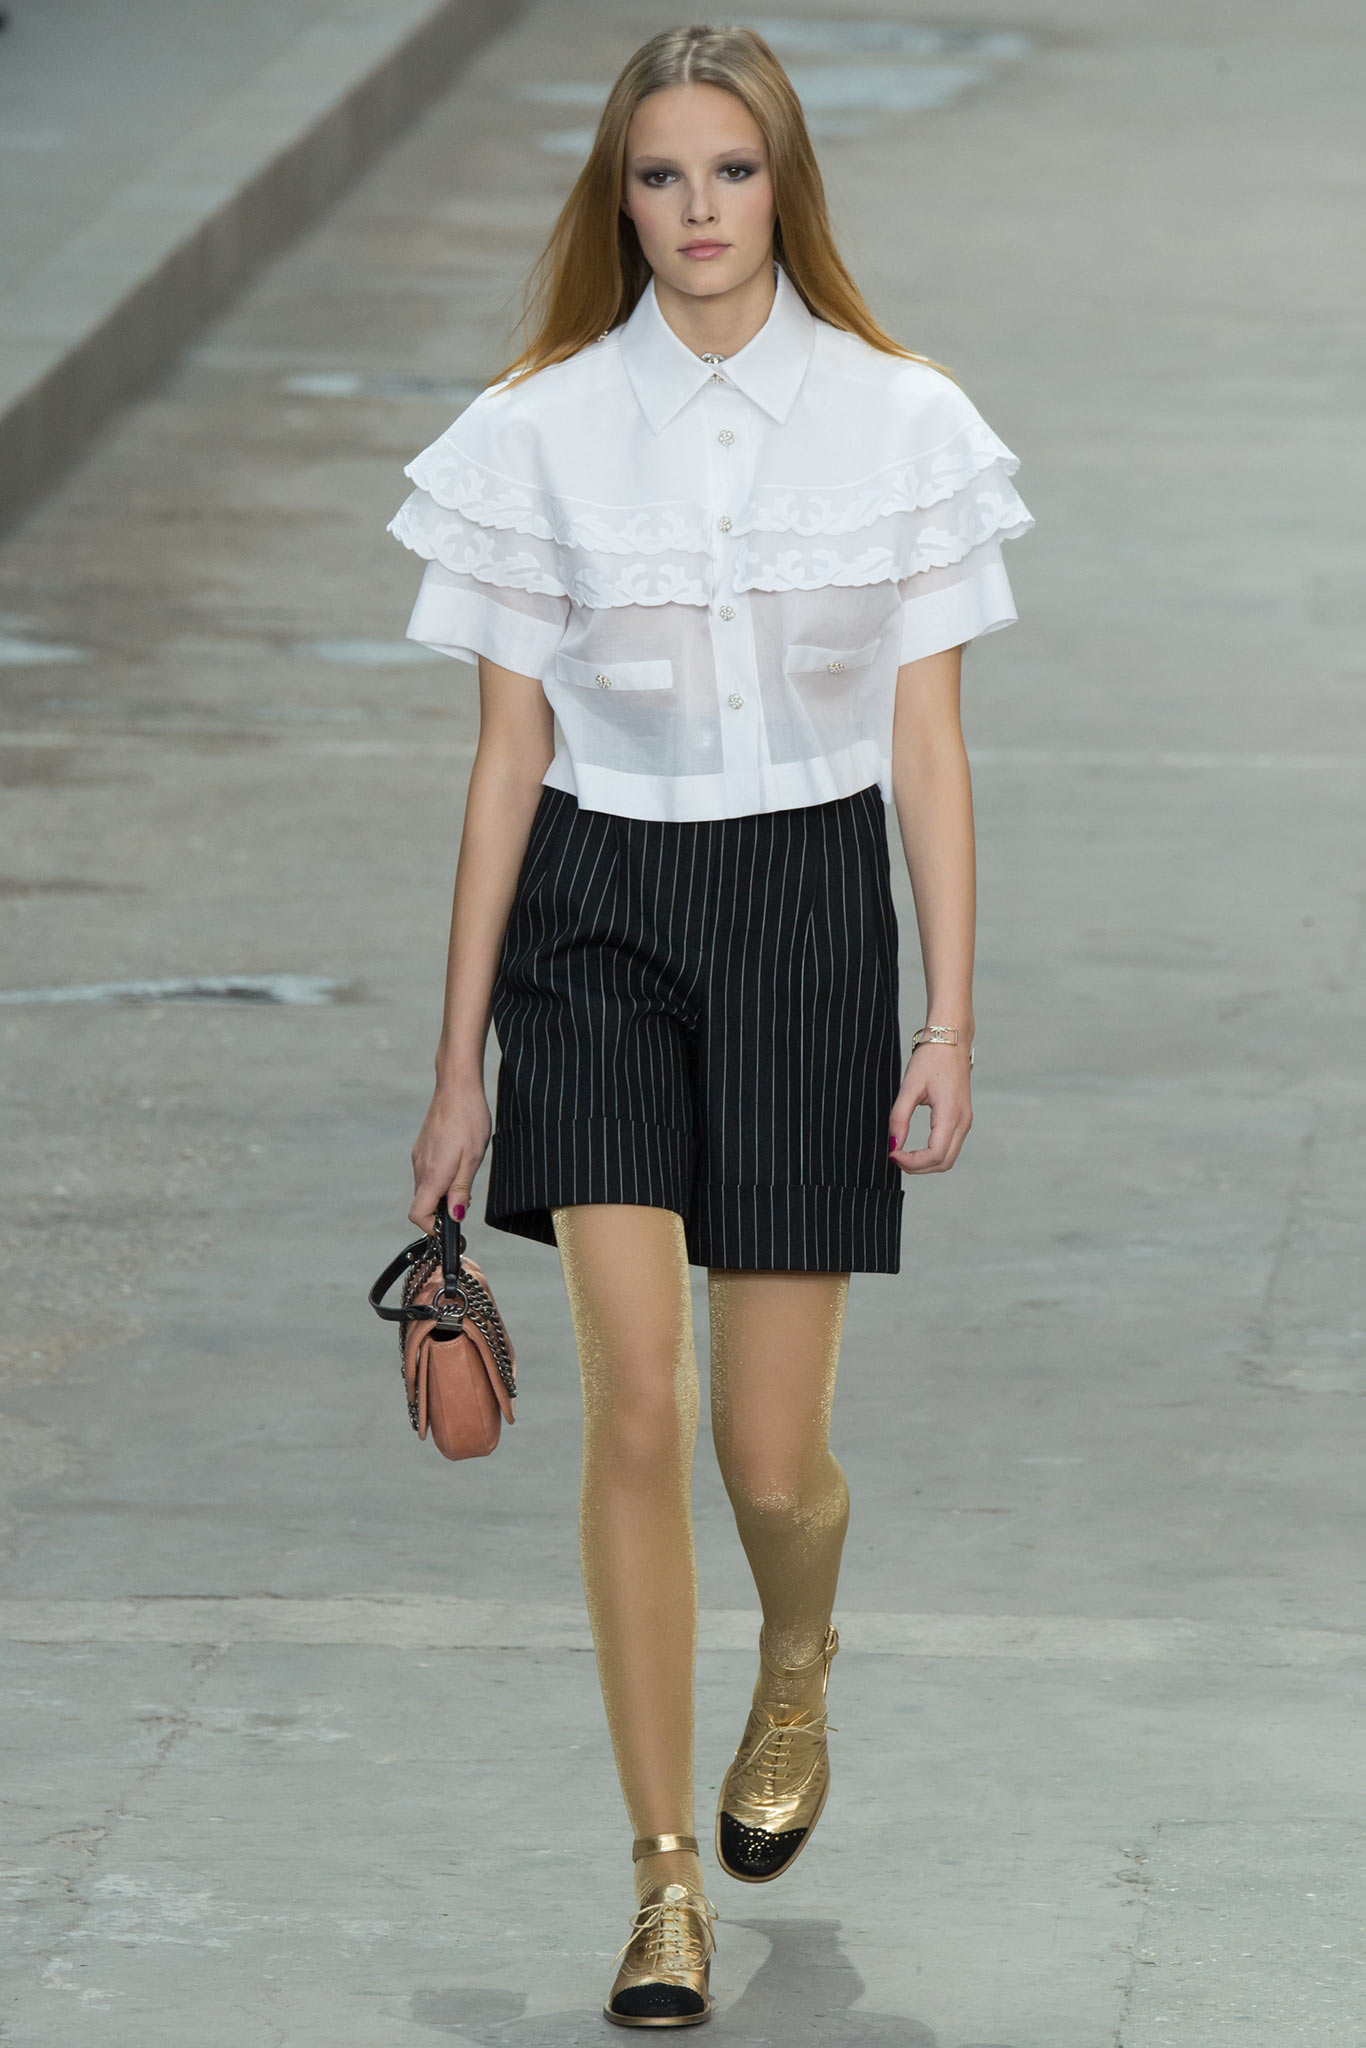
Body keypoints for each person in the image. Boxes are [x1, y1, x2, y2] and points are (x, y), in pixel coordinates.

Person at [388, 22, 1030, 2029]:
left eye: (730, 172)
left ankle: (797, 1653)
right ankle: (659, 1881)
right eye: (659, 176)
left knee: (765, 1455)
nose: (695, 211)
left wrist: (947, 1016)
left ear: (783, 188)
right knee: (638, 1409)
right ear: (619, 197)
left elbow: (927, 747)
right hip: (593, 917)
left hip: (806, 911)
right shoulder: (535, 430)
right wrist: (454, 1066)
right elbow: (504, 760)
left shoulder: (903, 420)